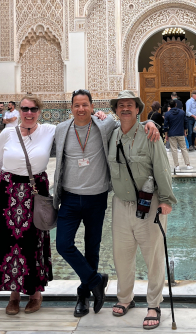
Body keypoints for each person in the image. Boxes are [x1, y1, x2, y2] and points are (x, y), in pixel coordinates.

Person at [53, 89, 160, 319]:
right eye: (76, 105)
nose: (81, 109)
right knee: (63, 244)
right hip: (70, 198)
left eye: (85, 105)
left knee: (92, 249)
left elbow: (130, 122)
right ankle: (95, 280)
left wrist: (150, 121)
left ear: (92, 107)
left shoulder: (105, 125)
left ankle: (83, 296)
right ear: (71, 108)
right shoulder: (61, 129)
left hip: (96, 197)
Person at [108, 90, 176, 330]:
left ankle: (154, 304)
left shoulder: (149, 135)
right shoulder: (112, 135)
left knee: (154, 256)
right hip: (121, 204)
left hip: (149, 204)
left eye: (130, 105)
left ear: (138, 110)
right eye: (121, 105)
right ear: (115, 110)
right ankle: (125, 298)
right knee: (122, 255)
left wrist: (166, 199)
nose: (125, 108)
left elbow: (162, 168)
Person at [0, 95, 54, 315]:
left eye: (33, 109)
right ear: (19, 111)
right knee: (7, 241)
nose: (29, 113)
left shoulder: (50, 131)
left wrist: (101, 116)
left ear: (39, 112)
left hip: (35, 192)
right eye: (25, 109)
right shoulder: (7, 133)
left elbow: (79, 125)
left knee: (33, 241)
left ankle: (35, 294)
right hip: (7, 194)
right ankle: (13, 295)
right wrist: (10, 183)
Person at [164, 99, 192, 171]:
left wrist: (166, 135)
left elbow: (166, 126)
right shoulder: (182, 112)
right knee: (183, 148)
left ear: (170, 106)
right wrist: (185, 131)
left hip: (172, 134)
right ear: (176, 105)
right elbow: (185, 122)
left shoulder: (167, 114)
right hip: (180, 133)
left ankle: (177, 166)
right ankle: (188, 165)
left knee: (174, 150)